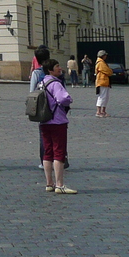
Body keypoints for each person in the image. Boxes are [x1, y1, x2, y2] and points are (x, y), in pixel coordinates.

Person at [39, 59, 76, 194]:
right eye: (57, 66)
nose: (60, 68)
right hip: (57, 121)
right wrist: (69, 99)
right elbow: (62, 99)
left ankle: (49, 183)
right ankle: (60, 185)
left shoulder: (42, 83)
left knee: (47, 152)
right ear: (50, 70)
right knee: (59, 152)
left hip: (44, 121)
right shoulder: (55, 84)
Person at [94, 50, 114, 118]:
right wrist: (111, 70)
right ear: (102, 56)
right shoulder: (100, 63)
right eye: (105, 55)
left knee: (105, 97)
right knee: (102, 97)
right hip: (102, 81)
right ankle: (99, 111)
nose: (106, 56)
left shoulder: (102, 62)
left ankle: (103, 111)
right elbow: (108, 71)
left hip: (105, 82)